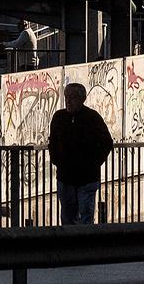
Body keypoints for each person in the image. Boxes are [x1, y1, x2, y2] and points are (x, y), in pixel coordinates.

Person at [48, 81, 115, 226]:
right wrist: (56, 159)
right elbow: (52, 141)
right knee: (68, 216)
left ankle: (83, 246)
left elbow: (106, 142)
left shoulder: (92, 118)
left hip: (87, 177)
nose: (68, 101)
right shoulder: (59, 117)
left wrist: (93, 162)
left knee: (85, 216)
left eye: (72, 97)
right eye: (66, 97)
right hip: (66, 176)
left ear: (82, 99)